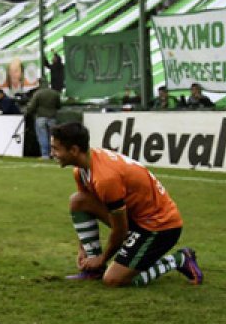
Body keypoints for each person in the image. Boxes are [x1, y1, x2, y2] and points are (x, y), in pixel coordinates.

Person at [49, 123, 202, 287]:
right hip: (136, 219)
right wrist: (84, 249)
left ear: (73, 150)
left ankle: (180, 259)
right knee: (78, 200)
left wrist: (102, 259)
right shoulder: (81, 169)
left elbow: (120, 230)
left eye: (55, 149)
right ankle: (93, 271)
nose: (52, 154)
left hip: (160, 227)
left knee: (113, 280)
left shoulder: (105, 178)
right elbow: (86, 204)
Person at [26, 82, 60, 159]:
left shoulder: (38, 93)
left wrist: (28, 112)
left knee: (42, 137)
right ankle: (54, 154)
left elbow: (32, 106)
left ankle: (45, 155)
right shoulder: (55, 93)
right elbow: (59, 105)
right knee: (53, 138)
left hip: (40, 117)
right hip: (52, 118)